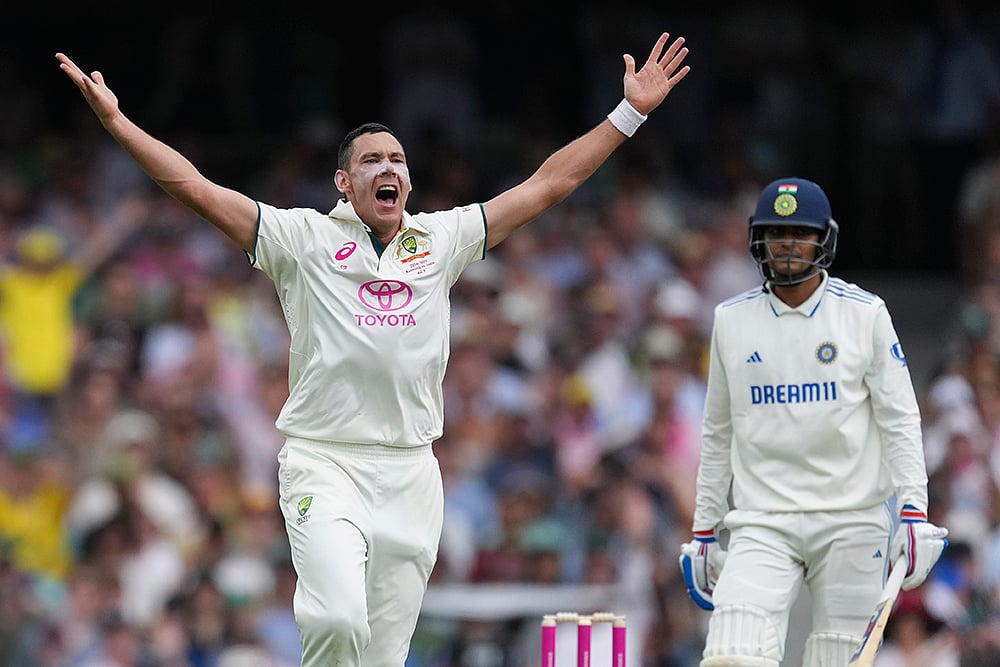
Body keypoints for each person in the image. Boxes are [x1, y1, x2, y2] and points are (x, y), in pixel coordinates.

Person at [56, 31, 691, 667]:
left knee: (382, 658)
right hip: (325, 462)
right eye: (371, 161)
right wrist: (118, 124)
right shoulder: (298, 237)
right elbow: (194, 187)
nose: (389, 168)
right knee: (335, 618)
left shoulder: (442, 239)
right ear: (343, 181)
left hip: (413, 472)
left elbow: (549, 185)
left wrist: (628, 113)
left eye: (397, 160)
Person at [677, 177, 949, 666]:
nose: (787, 245)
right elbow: (717, 433)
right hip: (763, 520)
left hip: (852, 518)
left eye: (800, 233)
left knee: (836, 659)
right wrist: (704, 533)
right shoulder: (730, 321)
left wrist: (914, 511)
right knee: (731, 655)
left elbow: (901, 420)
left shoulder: (864, 315)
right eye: (776, 234)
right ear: (757, 240)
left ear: (824, 238)